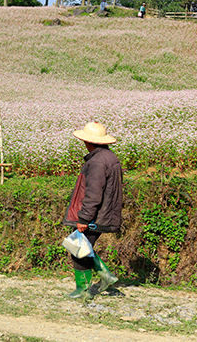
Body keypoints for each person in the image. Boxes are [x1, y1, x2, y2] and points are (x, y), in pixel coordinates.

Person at [62, 122, 123, 299]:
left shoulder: (97, 162)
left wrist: (84, 218)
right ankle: (105, 275)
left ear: (88, 142)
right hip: (105, 213)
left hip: (96, 215)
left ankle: (84, 290)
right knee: (82, 246)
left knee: (78, 248)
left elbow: (93, 194)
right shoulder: (110, 157)